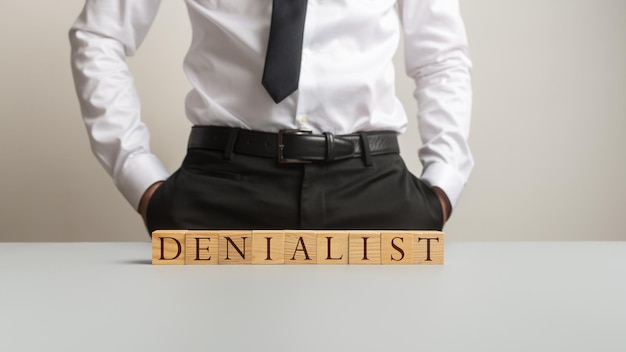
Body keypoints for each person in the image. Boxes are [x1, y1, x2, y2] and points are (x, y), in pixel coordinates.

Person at [69, 0, 473, 234]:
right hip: (221, 188)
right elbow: (100, 36)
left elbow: (440, 58)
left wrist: (443, 186)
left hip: (373, 186)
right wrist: (139, 176)